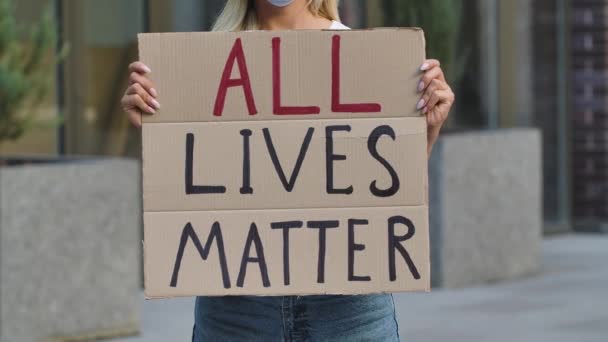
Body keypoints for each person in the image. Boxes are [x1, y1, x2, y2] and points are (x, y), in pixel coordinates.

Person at [121, 0, 454, 340]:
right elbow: (194, 192)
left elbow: (385, 189)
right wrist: (155, 133)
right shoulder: (205, 64)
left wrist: (426, 131)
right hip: (237, 309)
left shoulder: (368, 58)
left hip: (347, 310)